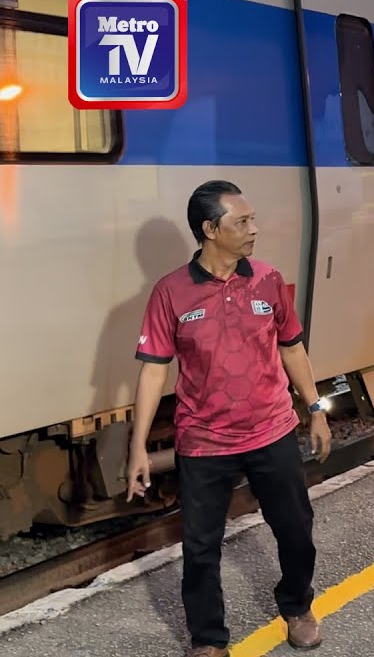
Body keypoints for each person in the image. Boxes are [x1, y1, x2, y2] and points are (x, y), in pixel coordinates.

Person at [125, 180, 330, 657]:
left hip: (272, 428)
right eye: (242, 222)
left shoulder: (268, 280)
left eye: (252, 219)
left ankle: (297, 607)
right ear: (210, 229)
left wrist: (315, 408)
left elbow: (292, 347)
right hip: (203, 441)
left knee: (296, 529)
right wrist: (138, 446)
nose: (254, 229)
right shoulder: (170, 293)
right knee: (200, 549)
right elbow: (154, 371)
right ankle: (209, 640)